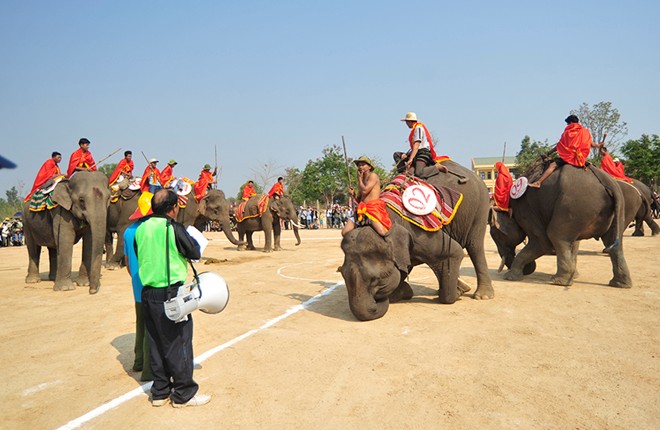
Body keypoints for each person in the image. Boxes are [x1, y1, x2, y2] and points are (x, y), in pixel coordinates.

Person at [135, 189, 210, 408]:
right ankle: (184, 394)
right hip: (171, 293)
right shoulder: (173, 227)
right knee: (180, 343)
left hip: (148, 293)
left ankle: (160, 392)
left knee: (156, 343)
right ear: (173, 208)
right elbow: (194, 253)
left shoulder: (141, 228)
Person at [123, 192, 154, 382]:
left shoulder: (128, 231)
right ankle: (149, 371)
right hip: (152, 284)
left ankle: (138, 361)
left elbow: (127, 262)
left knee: (140, 323)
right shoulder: (150, 231)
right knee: (152, 327)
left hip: (136, 284)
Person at [529, 115, 603, 188]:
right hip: (580, 159)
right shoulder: (585, 132)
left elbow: (559, 146)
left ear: (570, 122)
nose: (567, 125)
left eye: (567, 124)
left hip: (569, 158)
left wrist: (548, 153)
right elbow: (591, 144)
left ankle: (538, 182)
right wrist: (599, 145)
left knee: (552, 165)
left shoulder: (568, 132)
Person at [341, 156, 391, 237]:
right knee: (345, 232)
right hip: (361, 208)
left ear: (369, 167)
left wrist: (359, 179)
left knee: (382, 232)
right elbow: (359, 199)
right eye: (359, 165)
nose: (360, 167)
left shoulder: (373, 176)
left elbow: (365, 190)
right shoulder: (361, 180)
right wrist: (353, 194)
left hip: (372, 208)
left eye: (363, 164)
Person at [394, 112, 447, 179]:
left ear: (409, 121)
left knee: (419, 173)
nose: (406, 124)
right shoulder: (414, 129)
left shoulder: (418, 128)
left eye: (406, 122)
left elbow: (417, 144)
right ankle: (404, 172)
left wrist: (410, 159)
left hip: (423, 153)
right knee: (397, 154)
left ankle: (436, 167)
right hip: (416, 152)